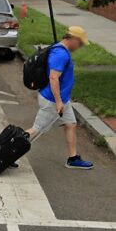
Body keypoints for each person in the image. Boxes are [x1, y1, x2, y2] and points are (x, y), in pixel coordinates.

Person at [24, 27, 93, 169]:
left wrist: (63, 100)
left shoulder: (59, 49)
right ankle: (8, 151)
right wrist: (59, 102)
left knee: (70, 124)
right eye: (79, 43)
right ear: (72, 39)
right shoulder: (61, 54)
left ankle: (72, 158)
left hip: (62, 99)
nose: (79, 47)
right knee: (37, 130)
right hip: (53, 100)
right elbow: (53, 78)